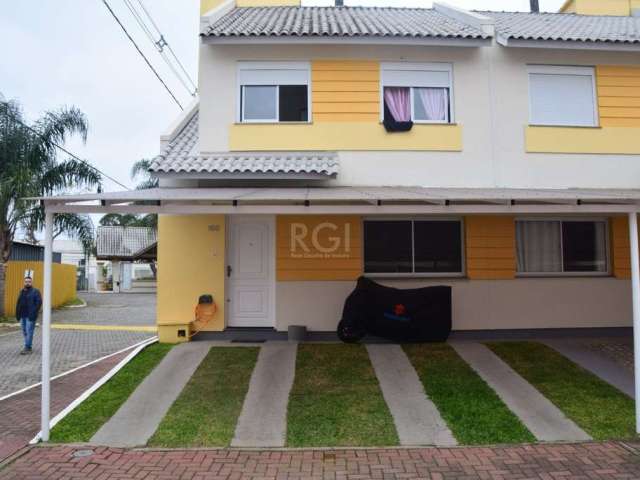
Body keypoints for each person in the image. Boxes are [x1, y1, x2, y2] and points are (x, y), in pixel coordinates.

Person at [15, 276, 42, 355]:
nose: (27, 283)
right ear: (24, 282)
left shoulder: (35, 291)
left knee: (29, 331)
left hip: (30, 316)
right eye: (26, 281)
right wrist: (17, 314)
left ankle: (28, 347)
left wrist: (34, 312)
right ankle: (28, 345)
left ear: (31, 282)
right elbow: (18, 303)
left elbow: (39, 302)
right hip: (22, 315)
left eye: (29, 281)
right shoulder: (22, 291)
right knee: (24, 331)